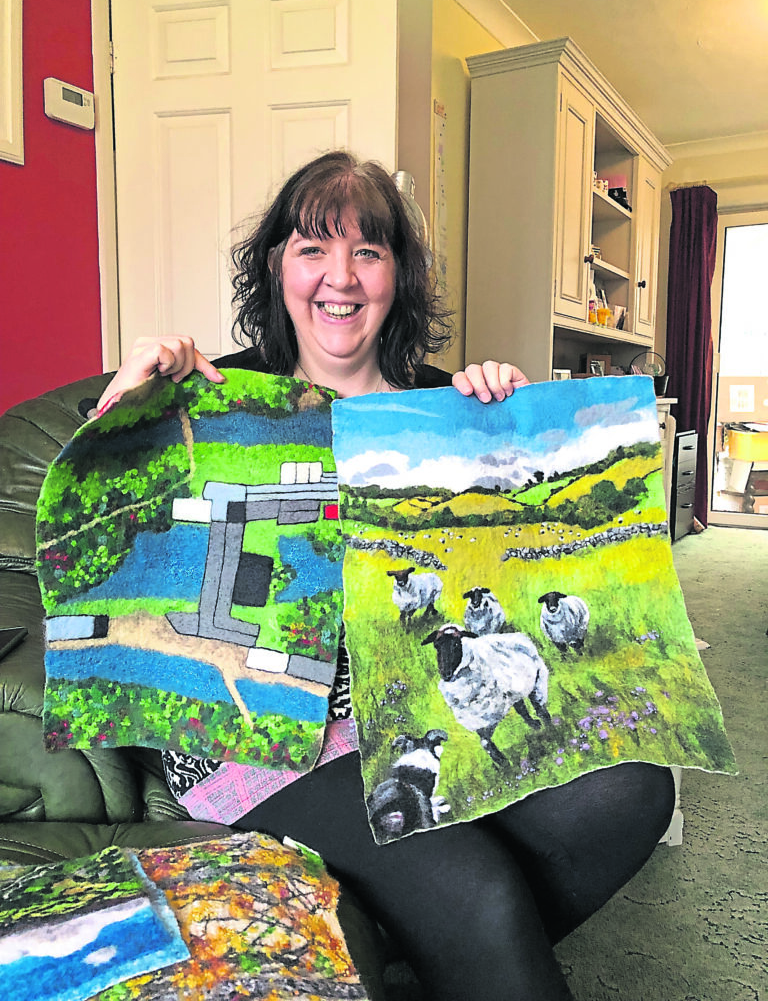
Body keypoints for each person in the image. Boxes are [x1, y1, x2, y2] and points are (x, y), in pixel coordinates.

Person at [97, 151, 675, 1001]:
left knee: (630, 791)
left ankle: (448, 947)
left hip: (412, 710)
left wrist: (509, 437)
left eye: (368, 252)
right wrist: (127, 400)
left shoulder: (445, 406)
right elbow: (109, 546)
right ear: (275, 267)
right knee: (469, 887)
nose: (341, 278)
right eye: (312, 249)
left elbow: (527, 568)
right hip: (263, 732)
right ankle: (463, 929)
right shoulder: (218, 399)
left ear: (398, 274)